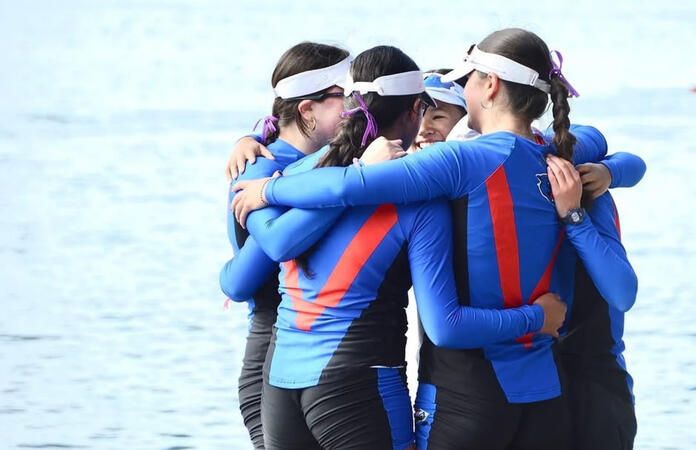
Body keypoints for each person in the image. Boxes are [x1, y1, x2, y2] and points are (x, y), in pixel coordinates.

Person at [231, 28, 613, 449]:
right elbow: (446, 323)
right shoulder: (422, 200)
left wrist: (266, 182)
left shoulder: (296, 173)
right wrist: (536, 318)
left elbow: (242, 273)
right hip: (362, 388)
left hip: (279, 385)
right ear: (416, 110)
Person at [218, 41, 351, 450]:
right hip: (270, 359)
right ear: (307, 109)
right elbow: (240, 282)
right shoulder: (260, 166)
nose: (357, 108)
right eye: (346, 97)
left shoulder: (335, 161)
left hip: (320, 357)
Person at [547, 157, 640, 450]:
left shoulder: (579, 184)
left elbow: (623, 294)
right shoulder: (460, 181)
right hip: (527, 385)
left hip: (595, 386)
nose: (427, 134)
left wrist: (608, 172)